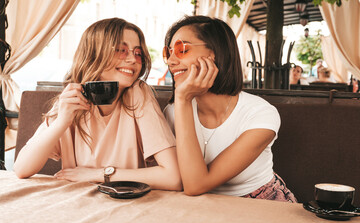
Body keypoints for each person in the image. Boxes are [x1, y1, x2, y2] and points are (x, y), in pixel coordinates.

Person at [14, 18, 182, 191]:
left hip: (126, 203)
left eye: (138, 53)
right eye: (121, 50)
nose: (132, 59)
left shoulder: (138, 93)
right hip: (77, 202)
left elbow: (173, 177)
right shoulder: (72, 99)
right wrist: (61, 122)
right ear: (94, 53)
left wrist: (99, 174)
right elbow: (21, 169)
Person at [163, 15, 297, 202]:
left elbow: (196, 185)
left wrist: (183, 99)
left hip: (260, 204)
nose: (170, 61)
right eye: (168, 52)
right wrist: (182, 101)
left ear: (214, 53)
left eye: (181, 49)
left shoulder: (260, 114)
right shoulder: (174, 111)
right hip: (198, 207)